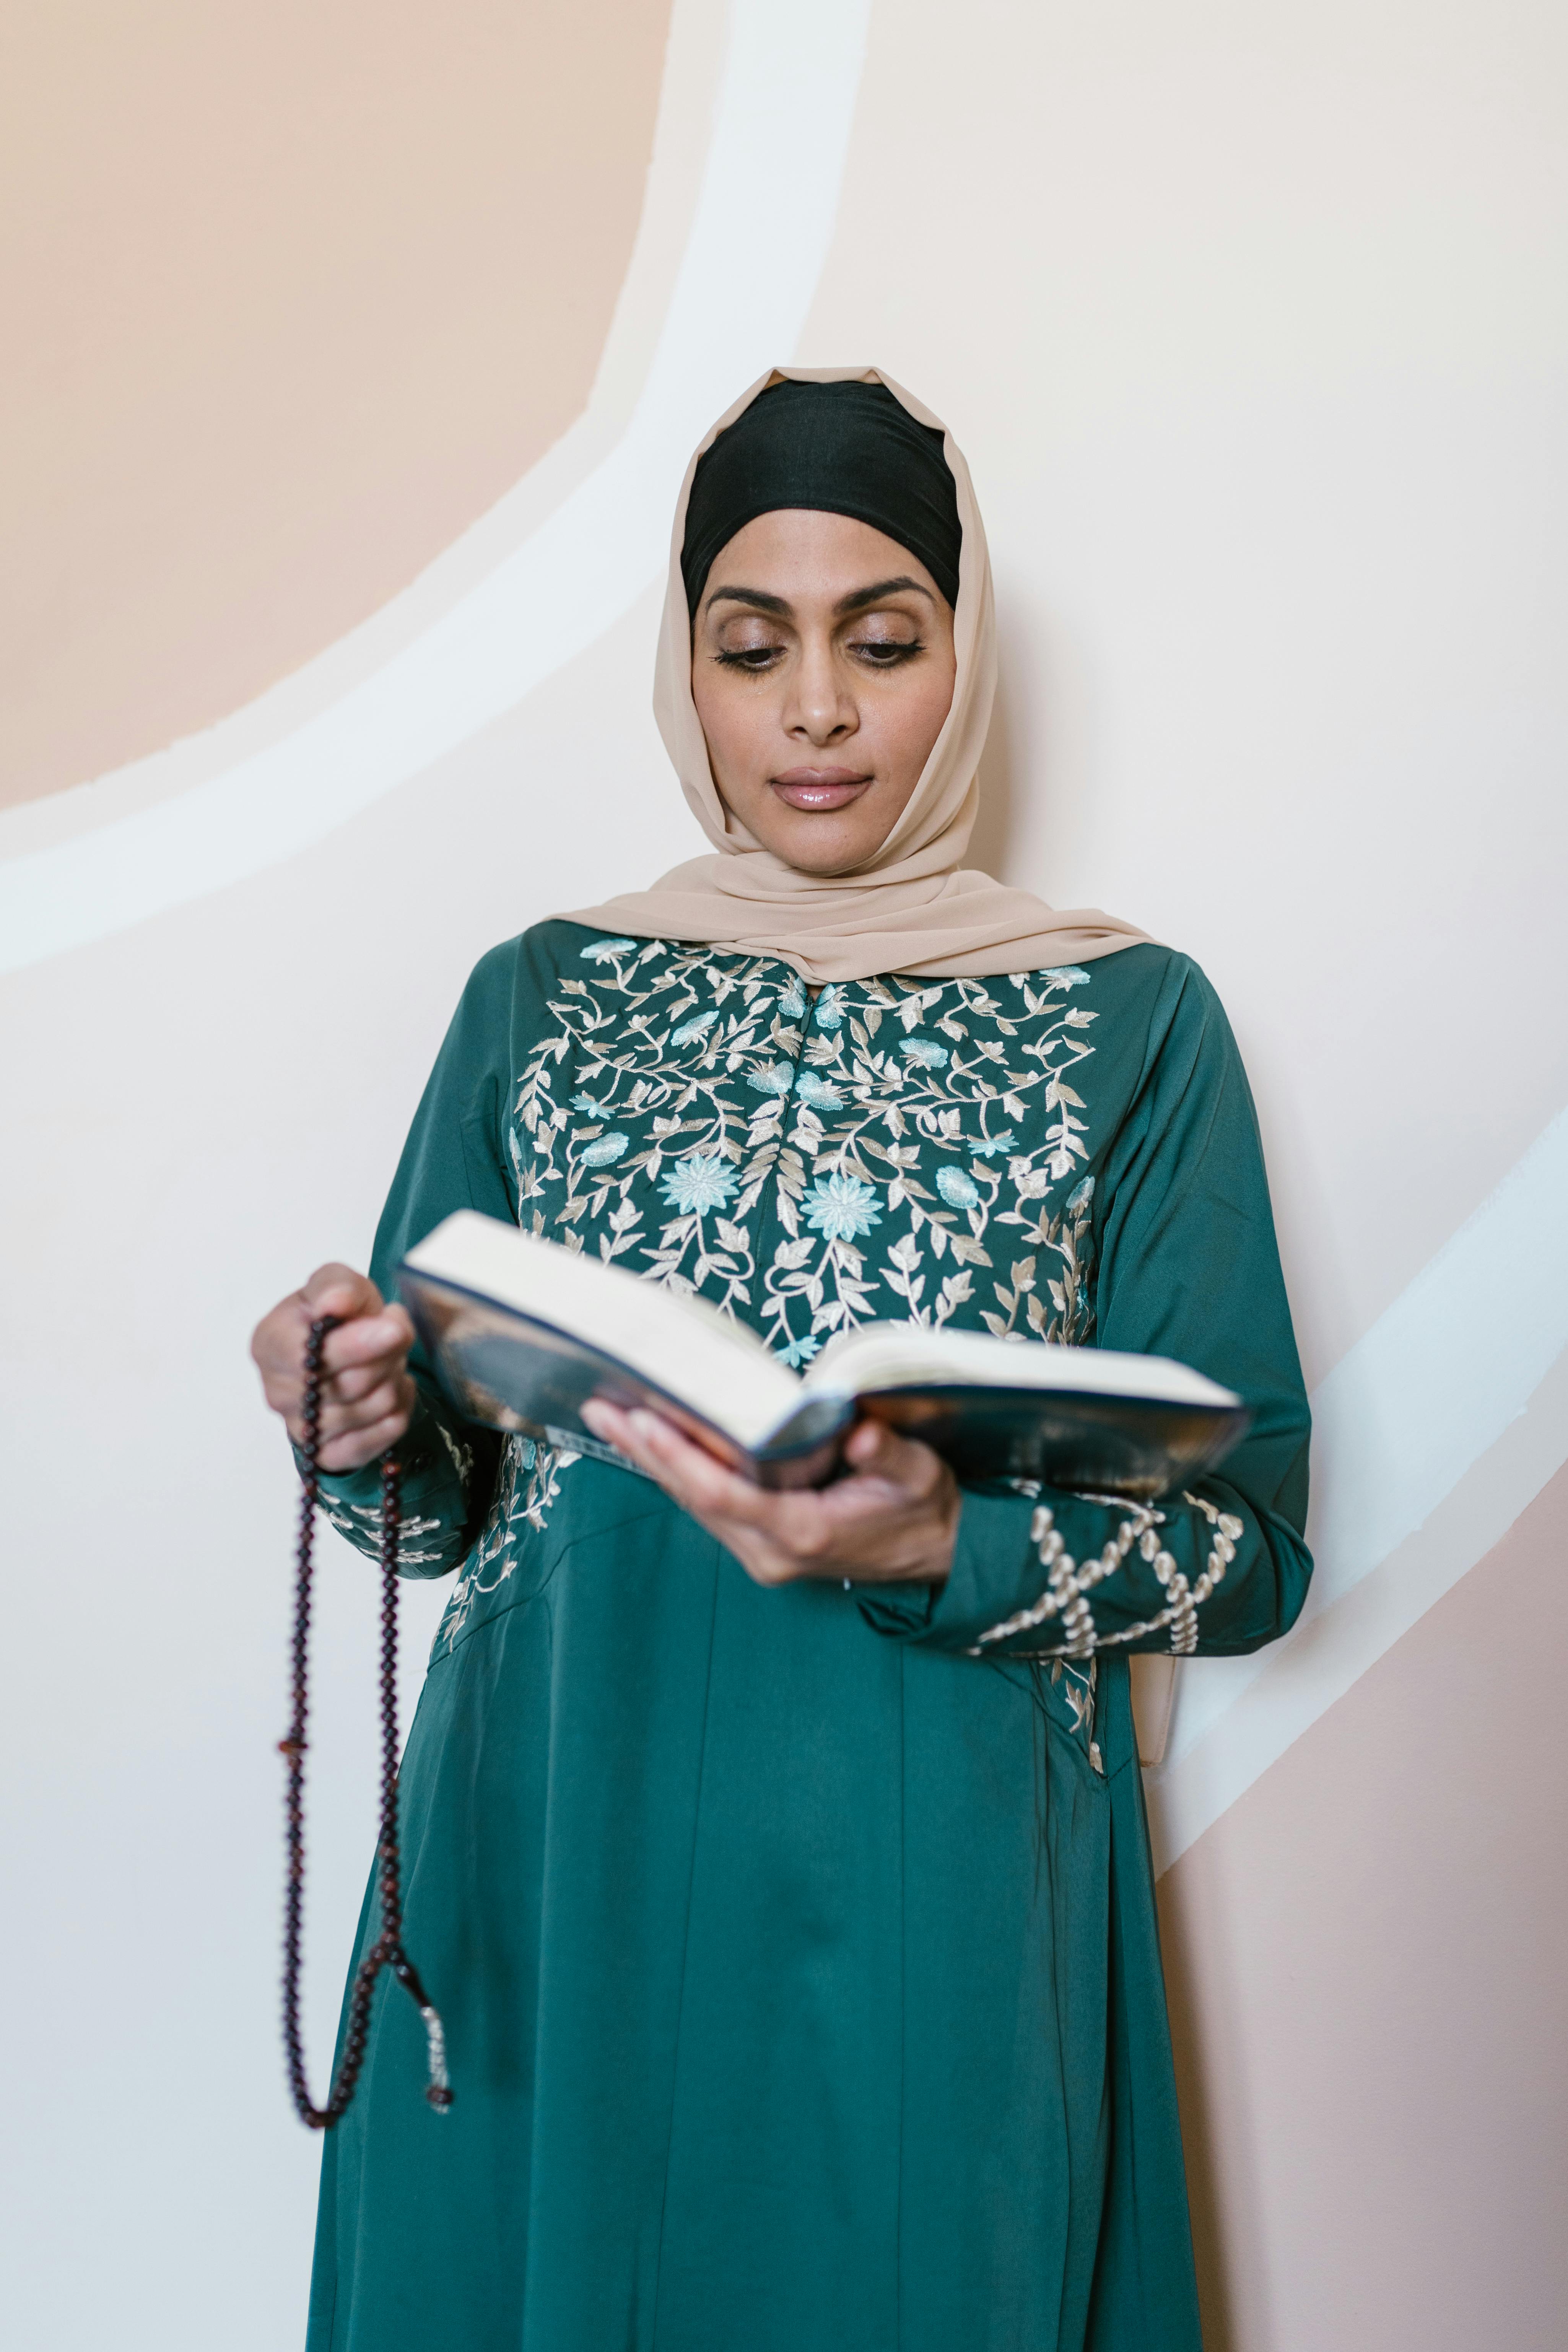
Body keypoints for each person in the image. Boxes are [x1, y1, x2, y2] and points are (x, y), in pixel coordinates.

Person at [252, 368, 1312, 2352]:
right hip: (550, 1845)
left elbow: (1246, 1549)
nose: (814, 708)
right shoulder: (536, 997)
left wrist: (940, 1548)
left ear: (959, 655)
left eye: (880, 638)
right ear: (689, 671)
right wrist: (351, 1419)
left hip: (931, 1869)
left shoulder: (1130, 1019)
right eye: (751, 647)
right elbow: (438, 1509)